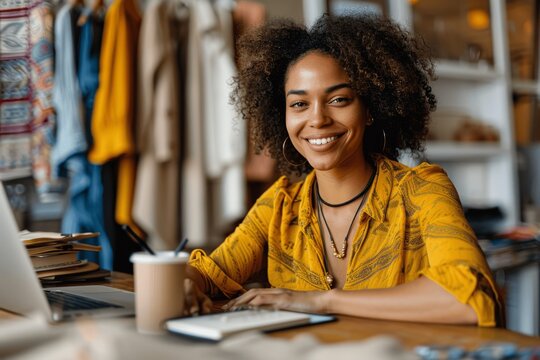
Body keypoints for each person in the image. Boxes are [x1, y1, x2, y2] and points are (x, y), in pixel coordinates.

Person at [184, 14, 503, 327]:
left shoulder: (421, 191)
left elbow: (469, 299)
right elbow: (211, 273)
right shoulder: (280, 206)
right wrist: (185, 282)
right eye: (299, 104)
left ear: (370, 109)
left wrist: (322, 300)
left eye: (338, 99)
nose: (317, 119)